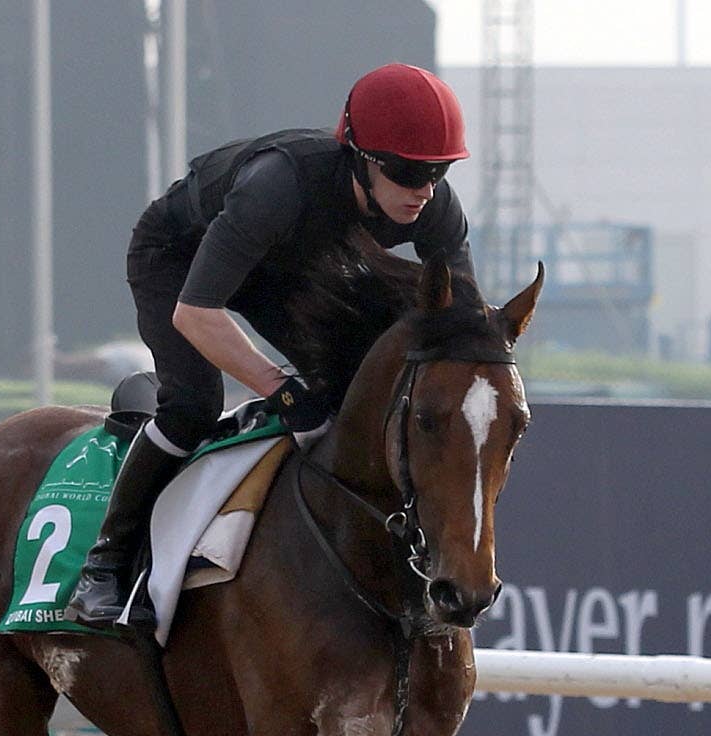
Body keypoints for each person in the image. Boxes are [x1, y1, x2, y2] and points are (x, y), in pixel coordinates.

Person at [64, 62, 477, 630]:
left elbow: (462, 322)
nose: (424, 191)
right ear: (361, 157)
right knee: (194, 405)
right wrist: (282, 393)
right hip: (178, 258)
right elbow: (195, 313)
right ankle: (104, 568)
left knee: (351, 396)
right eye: (408, 172)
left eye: (438, 171)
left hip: (280, 264)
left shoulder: (435, 207)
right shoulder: (278, 185)